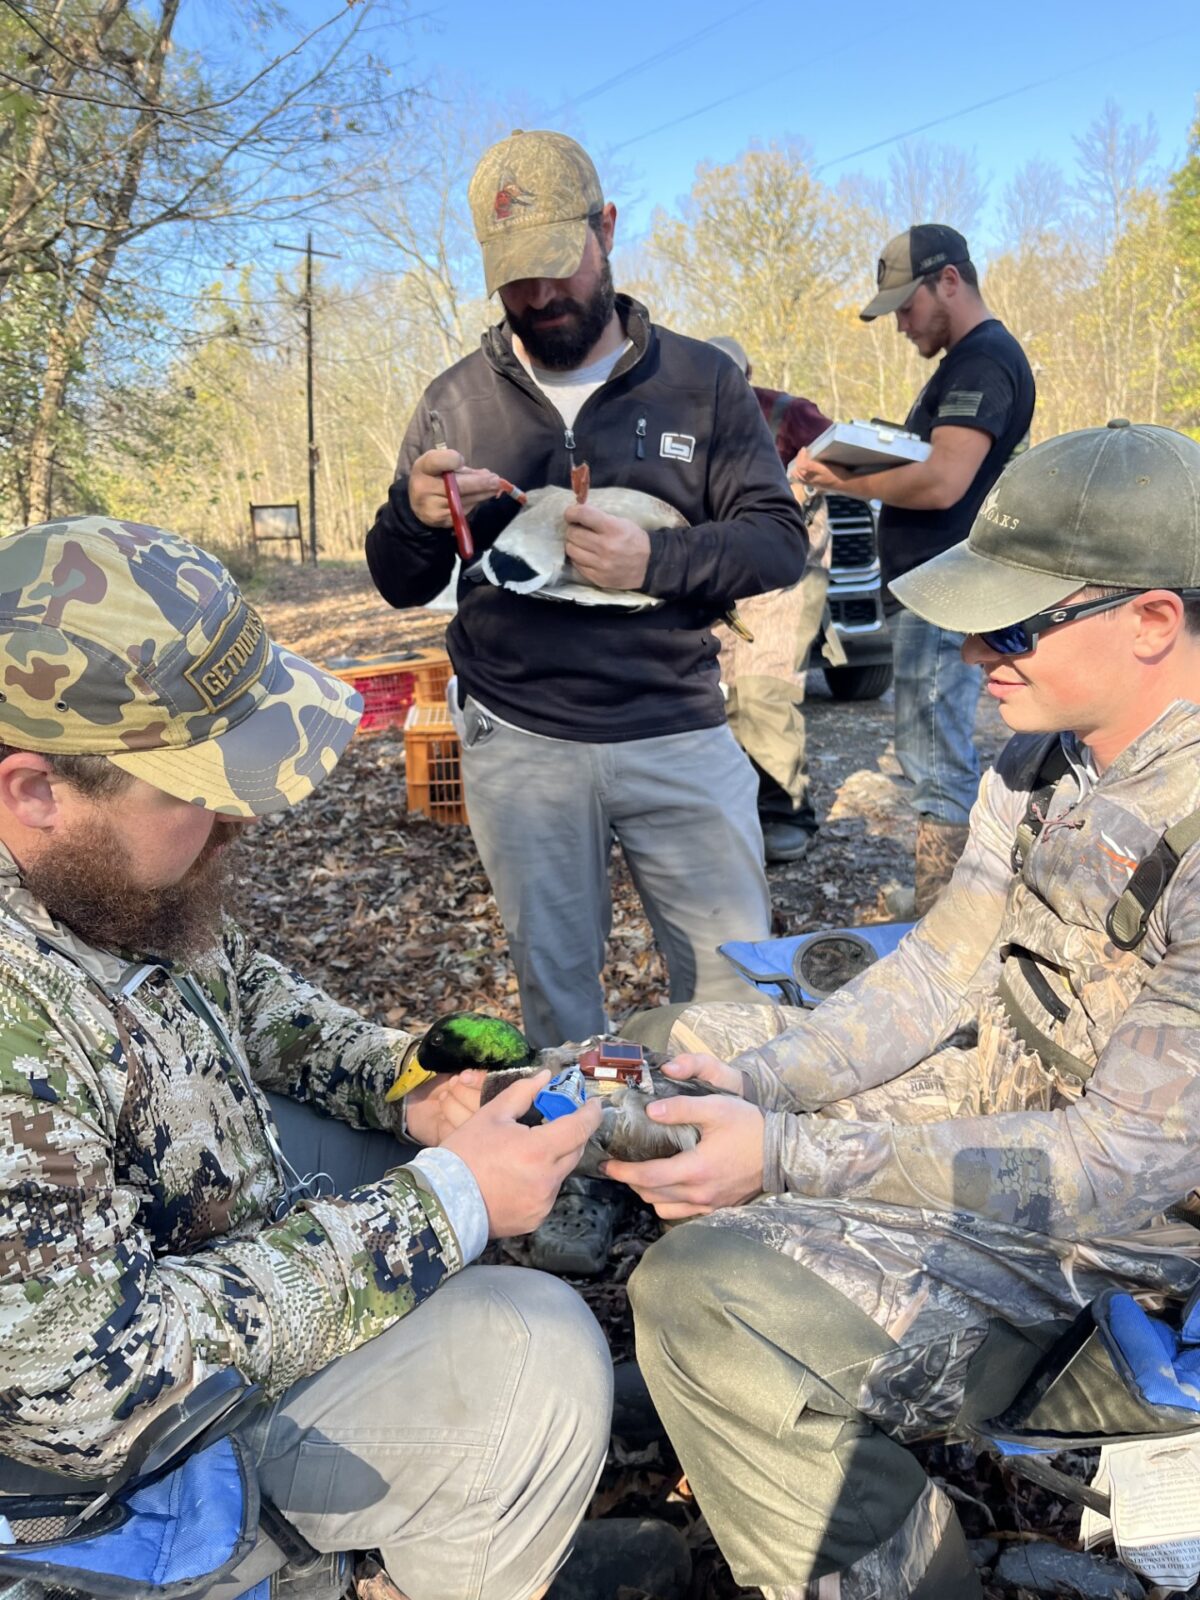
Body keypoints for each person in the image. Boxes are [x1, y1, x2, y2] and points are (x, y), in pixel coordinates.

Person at [612, 422, 1200, 1598]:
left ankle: (890, 1559)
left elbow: (1115, 1165)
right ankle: (734, 1390)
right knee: (669, 1051)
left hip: (1129, 1247)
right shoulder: (1043, 759)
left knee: (703, 1299)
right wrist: (763, 1085)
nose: (979, 646)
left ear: (1152, 622)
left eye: (1018, 622)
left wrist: (789, 1155)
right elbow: (940, 972)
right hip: (1012, 1102)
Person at [0, 514, 622, 1600]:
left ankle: (451, 1503)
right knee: (540, 1354)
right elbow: (85, 1390)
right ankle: (412, 1541)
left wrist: (415, 1085)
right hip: (100, 1466)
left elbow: (256, 1005)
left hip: (179, 1252)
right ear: (36, 790)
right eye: (198, 788)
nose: (239, 818)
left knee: (388, 1152)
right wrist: (447, 1204)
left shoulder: (95, 874)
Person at [366, 130, 807, 1049]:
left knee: (736, 996)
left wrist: (655, 565)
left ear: (606, 229)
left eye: (557, 267)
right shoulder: (455, 401)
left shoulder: (701, 382)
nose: (539, 297)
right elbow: (400, 582)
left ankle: (718, 1176)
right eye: (514, 278)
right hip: (518, 742)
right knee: (557, 998)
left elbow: (777, 543)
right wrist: (412, 514)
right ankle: (580, 1175)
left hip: (678, 729)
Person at [793, 224, 1035, 913]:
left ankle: (940, 918)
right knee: (932, 748)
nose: (900, 323)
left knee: (934, 756)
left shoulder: (982, 362)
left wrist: (844, 478)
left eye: (906, 305)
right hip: (935, 584)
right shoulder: (968, 361)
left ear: (949, 281)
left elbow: (943, 484)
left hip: (946, 586)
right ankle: (946, 901)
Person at [706, 336, 839, 863]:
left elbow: (851, 461)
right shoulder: (681, 417)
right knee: (715, 692)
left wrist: (805, 481)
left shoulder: (789, 414)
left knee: (762, 689)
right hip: (723, 565)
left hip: (788, 566)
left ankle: (787, 813)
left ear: (746, 375)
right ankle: (734, 809)